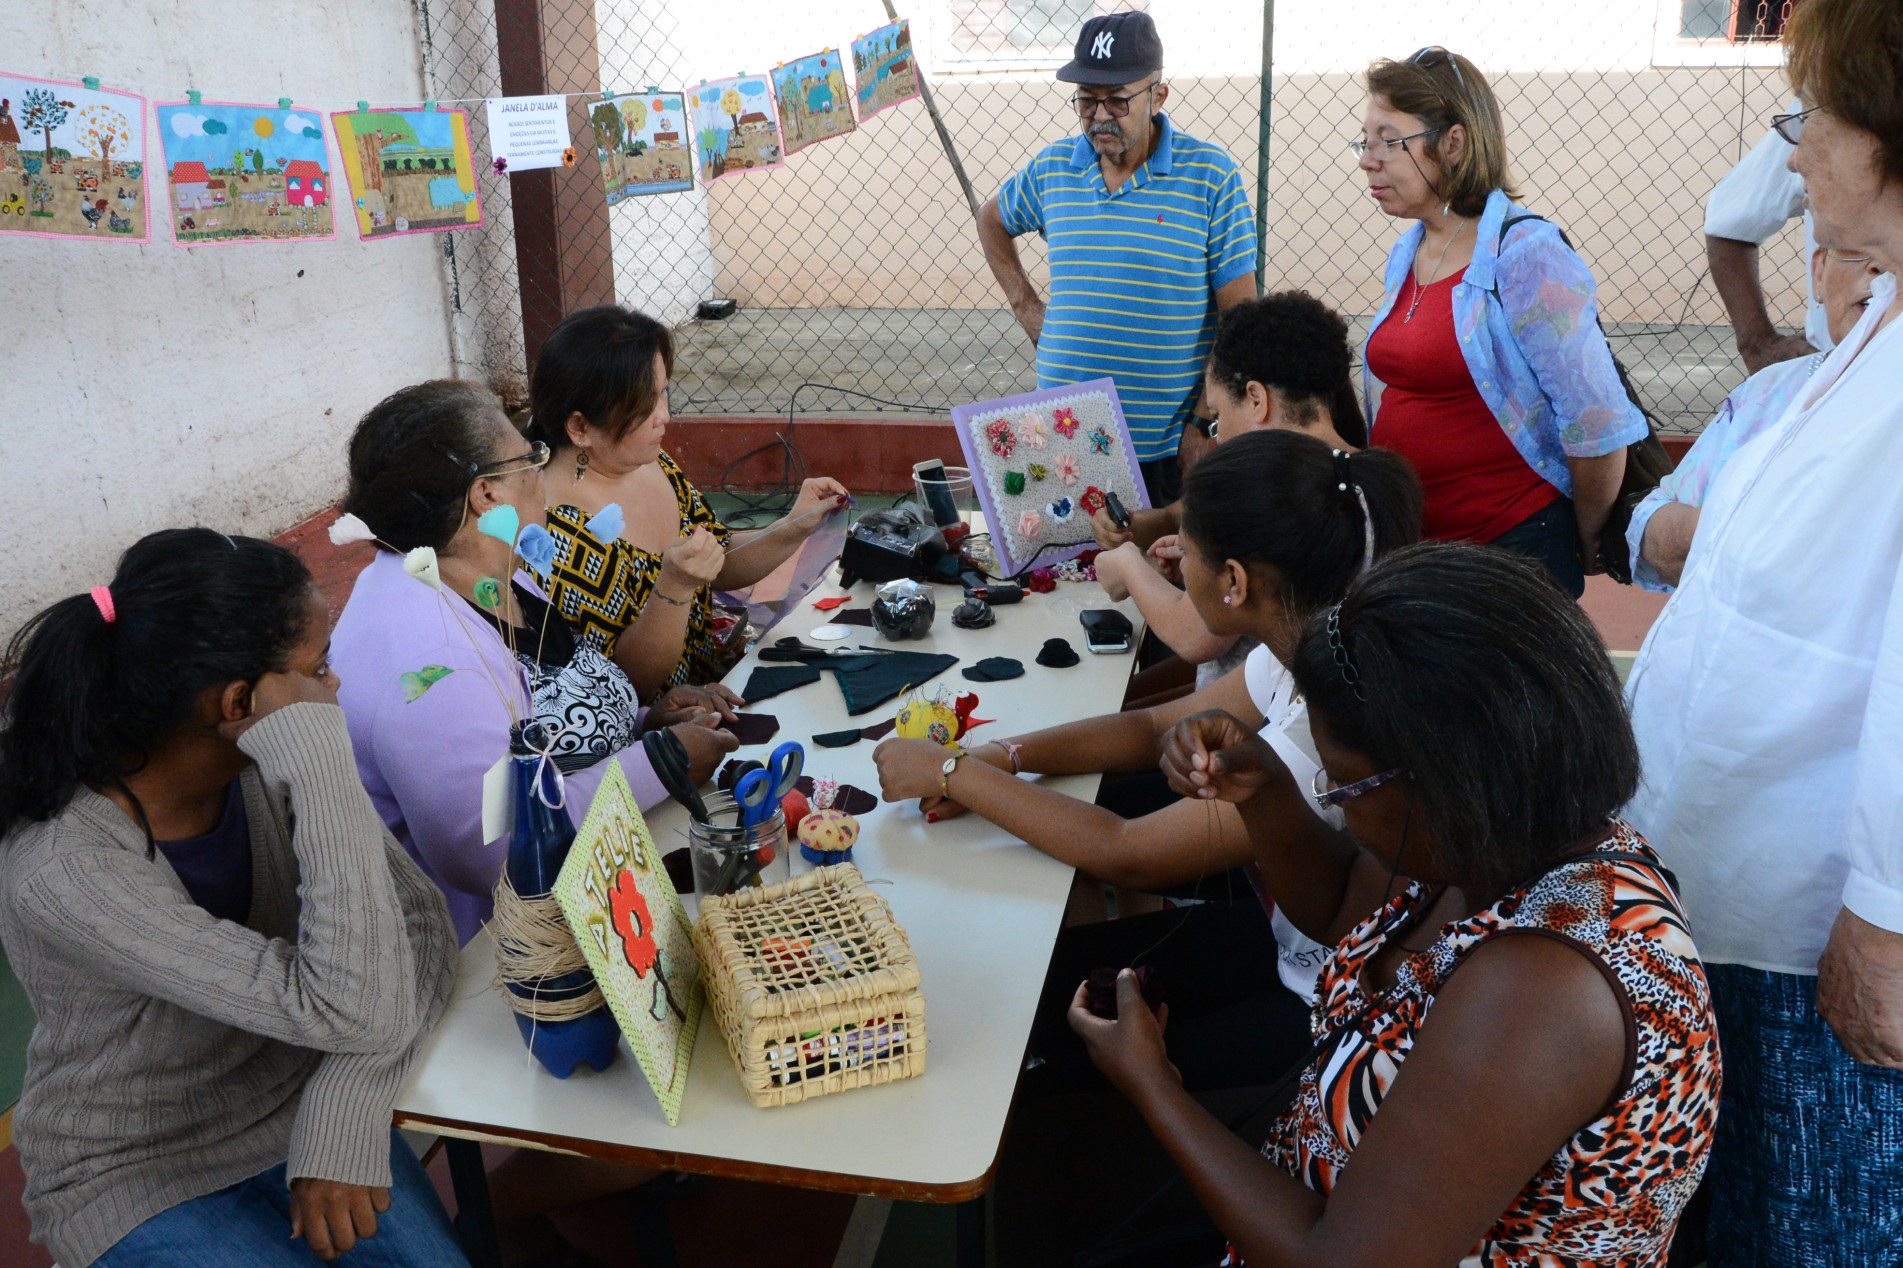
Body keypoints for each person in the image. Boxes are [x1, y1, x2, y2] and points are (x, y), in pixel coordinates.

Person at [1074, 542, 1718, 1266]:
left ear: (1445, 784)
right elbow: (1346, 908)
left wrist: (1150, 1085)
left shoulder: (1539, 991)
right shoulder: (1509, 841)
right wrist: (1263, 789)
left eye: (1342, 785)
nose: (1339, 811)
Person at [1624, 0, 1903, 1258]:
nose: (1794, 154)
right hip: (1741, 900)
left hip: (1822, 938)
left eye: (1815, 120)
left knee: (1811, 1226)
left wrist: (1888, 917)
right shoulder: (1872, 329)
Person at [0, 529, 466, 1268]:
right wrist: (321, 763)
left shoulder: (261, 763)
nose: (332, 690)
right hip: (137, 1168)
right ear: (240, 701)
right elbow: (350, 1007)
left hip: (301, 1102)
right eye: (318, 669)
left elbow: (419, 925)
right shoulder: (64, 870)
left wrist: (347, 1101)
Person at [875, 431, 1423, 1054]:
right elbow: (1150, 727)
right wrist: (1000, 757)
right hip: (1287, 926)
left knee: (1013, 1010)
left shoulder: (1328, 718)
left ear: (1236, 581)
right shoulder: (1307, 638)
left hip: (1319, 1002)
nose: (1174, 565)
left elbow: (1127, 850)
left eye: (1186, 552)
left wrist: (952, 771)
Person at [329, 379, 737, 946]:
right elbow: (501, 853)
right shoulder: (433, 666)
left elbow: (543, 722)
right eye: (529, 456)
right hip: (493, 961)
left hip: (585, 879)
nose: (540, 471)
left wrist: (647, 721)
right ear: (486, 495)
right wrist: (660, 762)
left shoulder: (495, 571)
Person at [1356, 48, 1645, 597]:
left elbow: (1600, 425)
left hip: (1507, 555)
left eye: (1388, 140)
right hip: (1418, 552)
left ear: (1455, 143)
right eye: (1364, 141)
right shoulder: (1410, 248)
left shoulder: (1525, 255)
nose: (1368, 159)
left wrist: (1578, 538)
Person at [978, 9, 1258, 506]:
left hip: (1166, 448)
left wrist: (1202, 422)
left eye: (1117, 100)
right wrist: (1026, 306)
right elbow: (992, 219)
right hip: (1064, 438)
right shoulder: (1053, 168)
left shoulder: (1210, 178)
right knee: (1066, 575)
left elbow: (1240, 319)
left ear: (1158, 95)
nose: (1100, 116)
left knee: (1159, 573)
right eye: (1086, 101)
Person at [526, 306, 848, 700]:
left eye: (663, 392)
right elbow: (624, 687)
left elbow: (717, 559)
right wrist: (675, 588)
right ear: (579, 427)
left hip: (710, 692)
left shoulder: (650, 462)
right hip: (649, 740)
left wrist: (794, 525)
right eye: (644, 404)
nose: (664, 416)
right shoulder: (555, 535)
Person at [1093, 291, 1369, 693]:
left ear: (1257, 399)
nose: (1217, 440)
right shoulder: (1367, 473)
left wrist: (1127, 566)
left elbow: (1194, 635)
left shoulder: (1272, 489)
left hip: (1251, 729)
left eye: (1218, 417)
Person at [1628, 246, 1883, 590]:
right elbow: (1653, 531)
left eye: (1896, 245)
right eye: (1857, 247)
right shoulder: (1768, 393)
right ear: (1819, 273)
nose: (1880, 268)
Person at [1706, 101, 1831, 373]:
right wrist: (1758, 344)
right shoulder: (1824, 96)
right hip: (1836, 381)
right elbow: (1730, 220)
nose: (1793, 161)